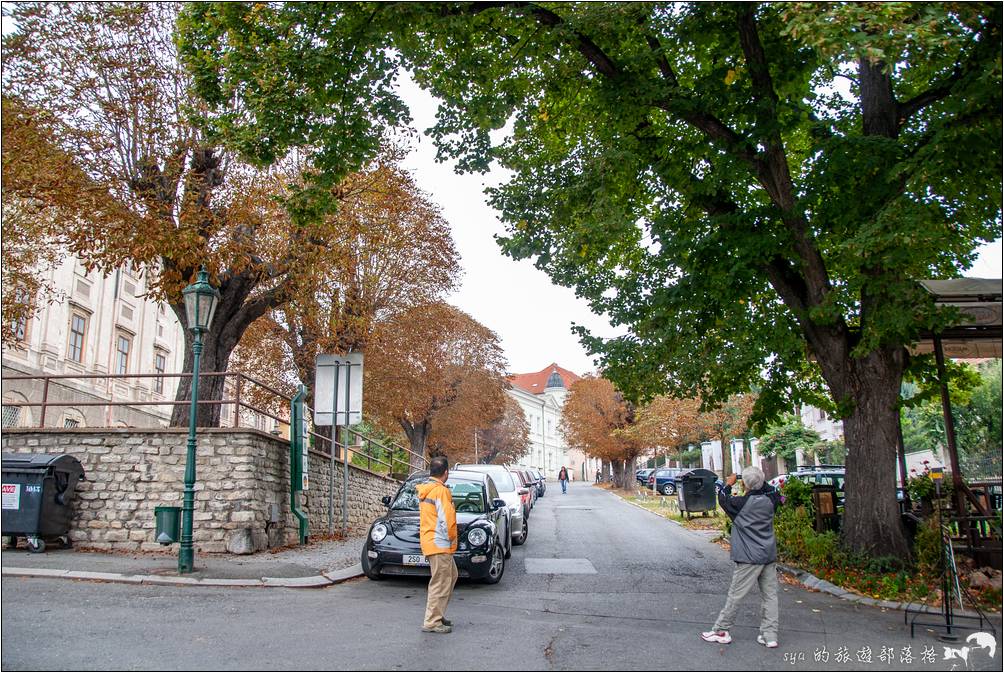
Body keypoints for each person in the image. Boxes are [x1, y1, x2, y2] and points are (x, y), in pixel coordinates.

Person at [701, 465, 782, 648]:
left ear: (745, 484)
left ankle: (722, 629)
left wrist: (728, 484)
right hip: (768, 554)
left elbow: (722, 498)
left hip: (748, 557)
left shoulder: (739, 505)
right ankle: (770, 635)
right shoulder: (772, 500)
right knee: (770, 596)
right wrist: (758, 479)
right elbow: (774, 490)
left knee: (736, 595)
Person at [417, 456, 458, 634]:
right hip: (440, 543)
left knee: (451, 576)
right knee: (440, 582)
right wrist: (452, 539)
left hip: (431, 541)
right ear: (446, 473)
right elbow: (446, 519)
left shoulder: (427, 490)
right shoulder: (440, 491)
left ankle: (437, 614)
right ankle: (432, 621)